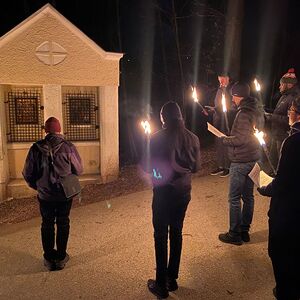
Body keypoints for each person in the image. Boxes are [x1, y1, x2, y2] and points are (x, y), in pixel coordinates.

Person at [144, 101, 201, 299]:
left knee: (160, 235)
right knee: (176, 232)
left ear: (163, 118)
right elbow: (196, 167)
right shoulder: (192, 138)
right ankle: (172, 278)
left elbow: (147, 167)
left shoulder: (156, 138)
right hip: (183, 192)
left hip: (163, 193)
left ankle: (161, 285)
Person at [23, 117, 83, 271]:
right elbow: (79, 170)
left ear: (45, 131)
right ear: (59, 129)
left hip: (45, 195)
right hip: (65, 194)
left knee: (47, 224)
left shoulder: (35, 148)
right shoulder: (68, 147)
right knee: (63, 222)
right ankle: (61, 257)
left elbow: (28, 173)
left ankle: (49, 258)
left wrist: (38, 186)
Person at [257, 97, 300, 299]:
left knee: (281, 253)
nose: (289, 113)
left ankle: (285, 291)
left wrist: (265, 187)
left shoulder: (292, 143)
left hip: (289, 211)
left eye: (291, 109)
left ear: (297, 114)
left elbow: (282, 183)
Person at [218, 82, 264, 245]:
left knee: (234, 198)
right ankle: (245, 231)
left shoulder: (244, 114)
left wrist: (224, 139)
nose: (232, 98)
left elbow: (241, 139)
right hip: (254, 158)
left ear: (239, 96)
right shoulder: (256, 110)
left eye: (233, 96)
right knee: (248, 197)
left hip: (241, 161)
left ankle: (235, 233)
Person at [266, 68, 300, 168]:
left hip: (283, 137)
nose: (279, 86)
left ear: (288, 85)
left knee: (281, 163)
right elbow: (279, 112)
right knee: (273, 160)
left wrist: (271, 117)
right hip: (276, 134)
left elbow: (290, 121)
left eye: (281, 84)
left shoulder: (294, 99)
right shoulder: (284, 96)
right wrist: (267, 111)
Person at [208, 73, 236, 177]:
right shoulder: (219, 90)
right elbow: (217, 105)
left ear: (228, 78)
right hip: (218, 121)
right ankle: (221, 166)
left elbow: (234, 106)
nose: (221, 81)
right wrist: (211, 111)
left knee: (226, 143)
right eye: (219, 79)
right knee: (219, 143)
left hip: (227, 121)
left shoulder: (232, 90)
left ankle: (228, 167)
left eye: (223, 79)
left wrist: (223, 111)